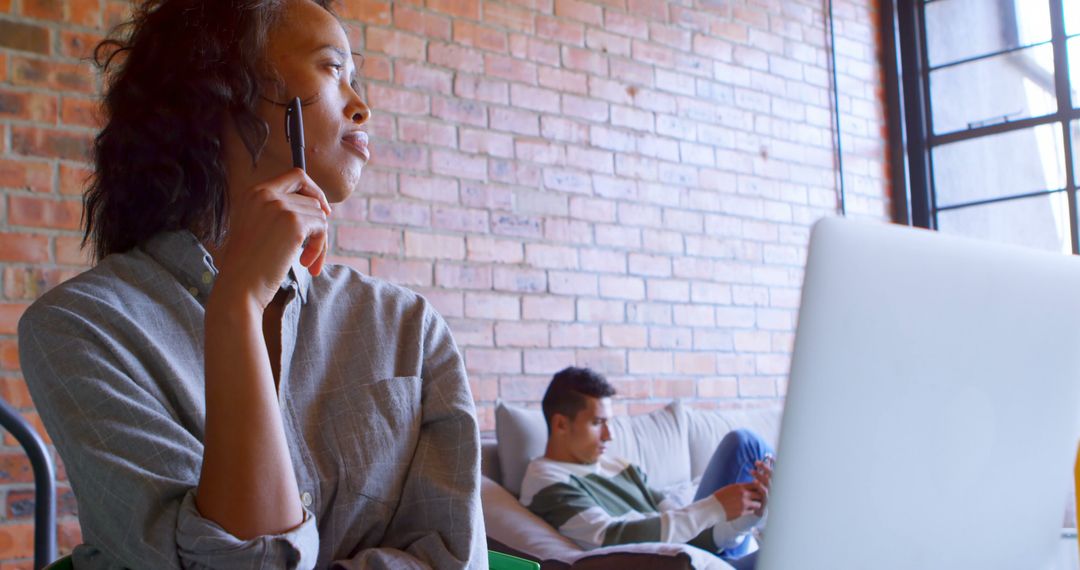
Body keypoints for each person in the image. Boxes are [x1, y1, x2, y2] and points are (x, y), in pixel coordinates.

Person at [17, 1, 486, 568]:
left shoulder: (406, 327)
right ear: (217, 89)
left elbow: (455, 557)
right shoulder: (81, 328)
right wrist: (236, 306)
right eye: (333, 70)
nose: (363, 108)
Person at [520, 368, 773, 570]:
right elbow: (611, 537)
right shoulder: (547, 479)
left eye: (609, 422)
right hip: (670, 563)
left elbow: (685, 527)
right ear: (561, 424)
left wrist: (745, 518)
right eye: (598, 423)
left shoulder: (617, 466)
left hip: (696, 555)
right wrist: (714, 507)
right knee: (744, 445)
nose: (609, 435)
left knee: (744, 444)